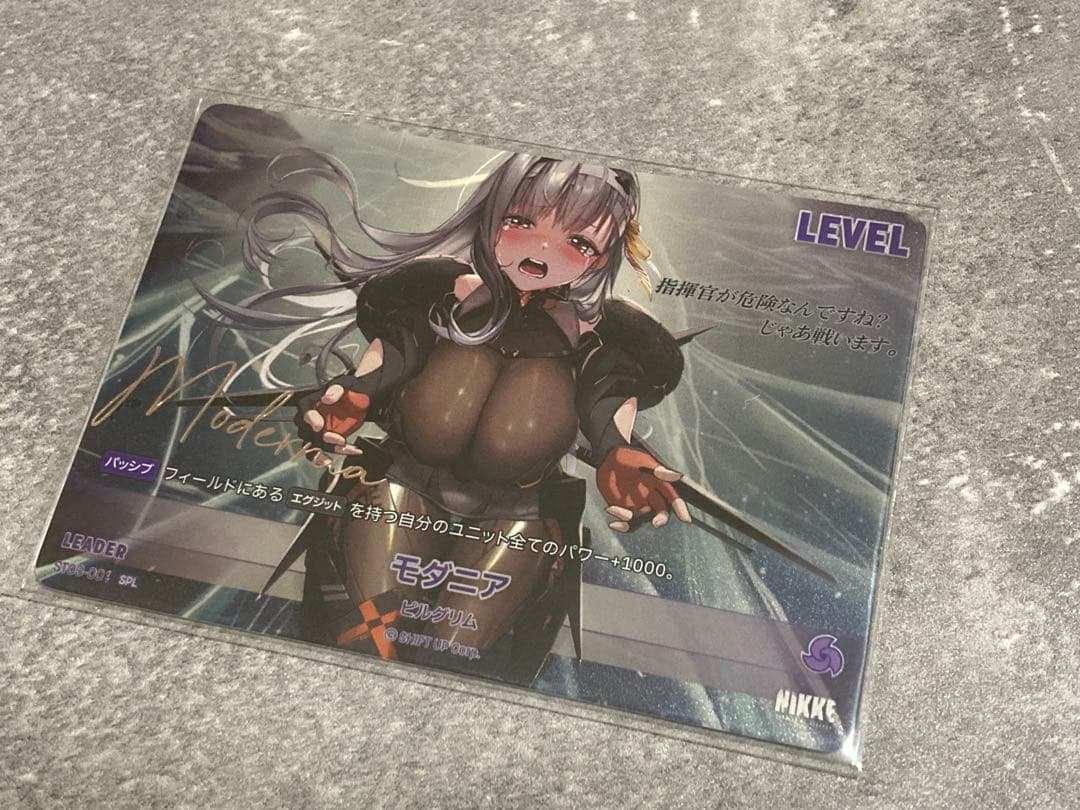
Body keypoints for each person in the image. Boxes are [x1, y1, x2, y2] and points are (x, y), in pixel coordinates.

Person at [204, 149, 691, 683]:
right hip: (399, 485)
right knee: (364, 645)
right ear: (492, 217)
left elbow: (606, 405)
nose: (542, 250)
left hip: (520, 514)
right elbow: (390, 359)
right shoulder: (437, 297)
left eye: (579, 243)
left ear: (599, 260)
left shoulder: (602, 342)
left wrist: (619, 455)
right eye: (521, 222)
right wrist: (347, 399)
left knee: (455, 664)